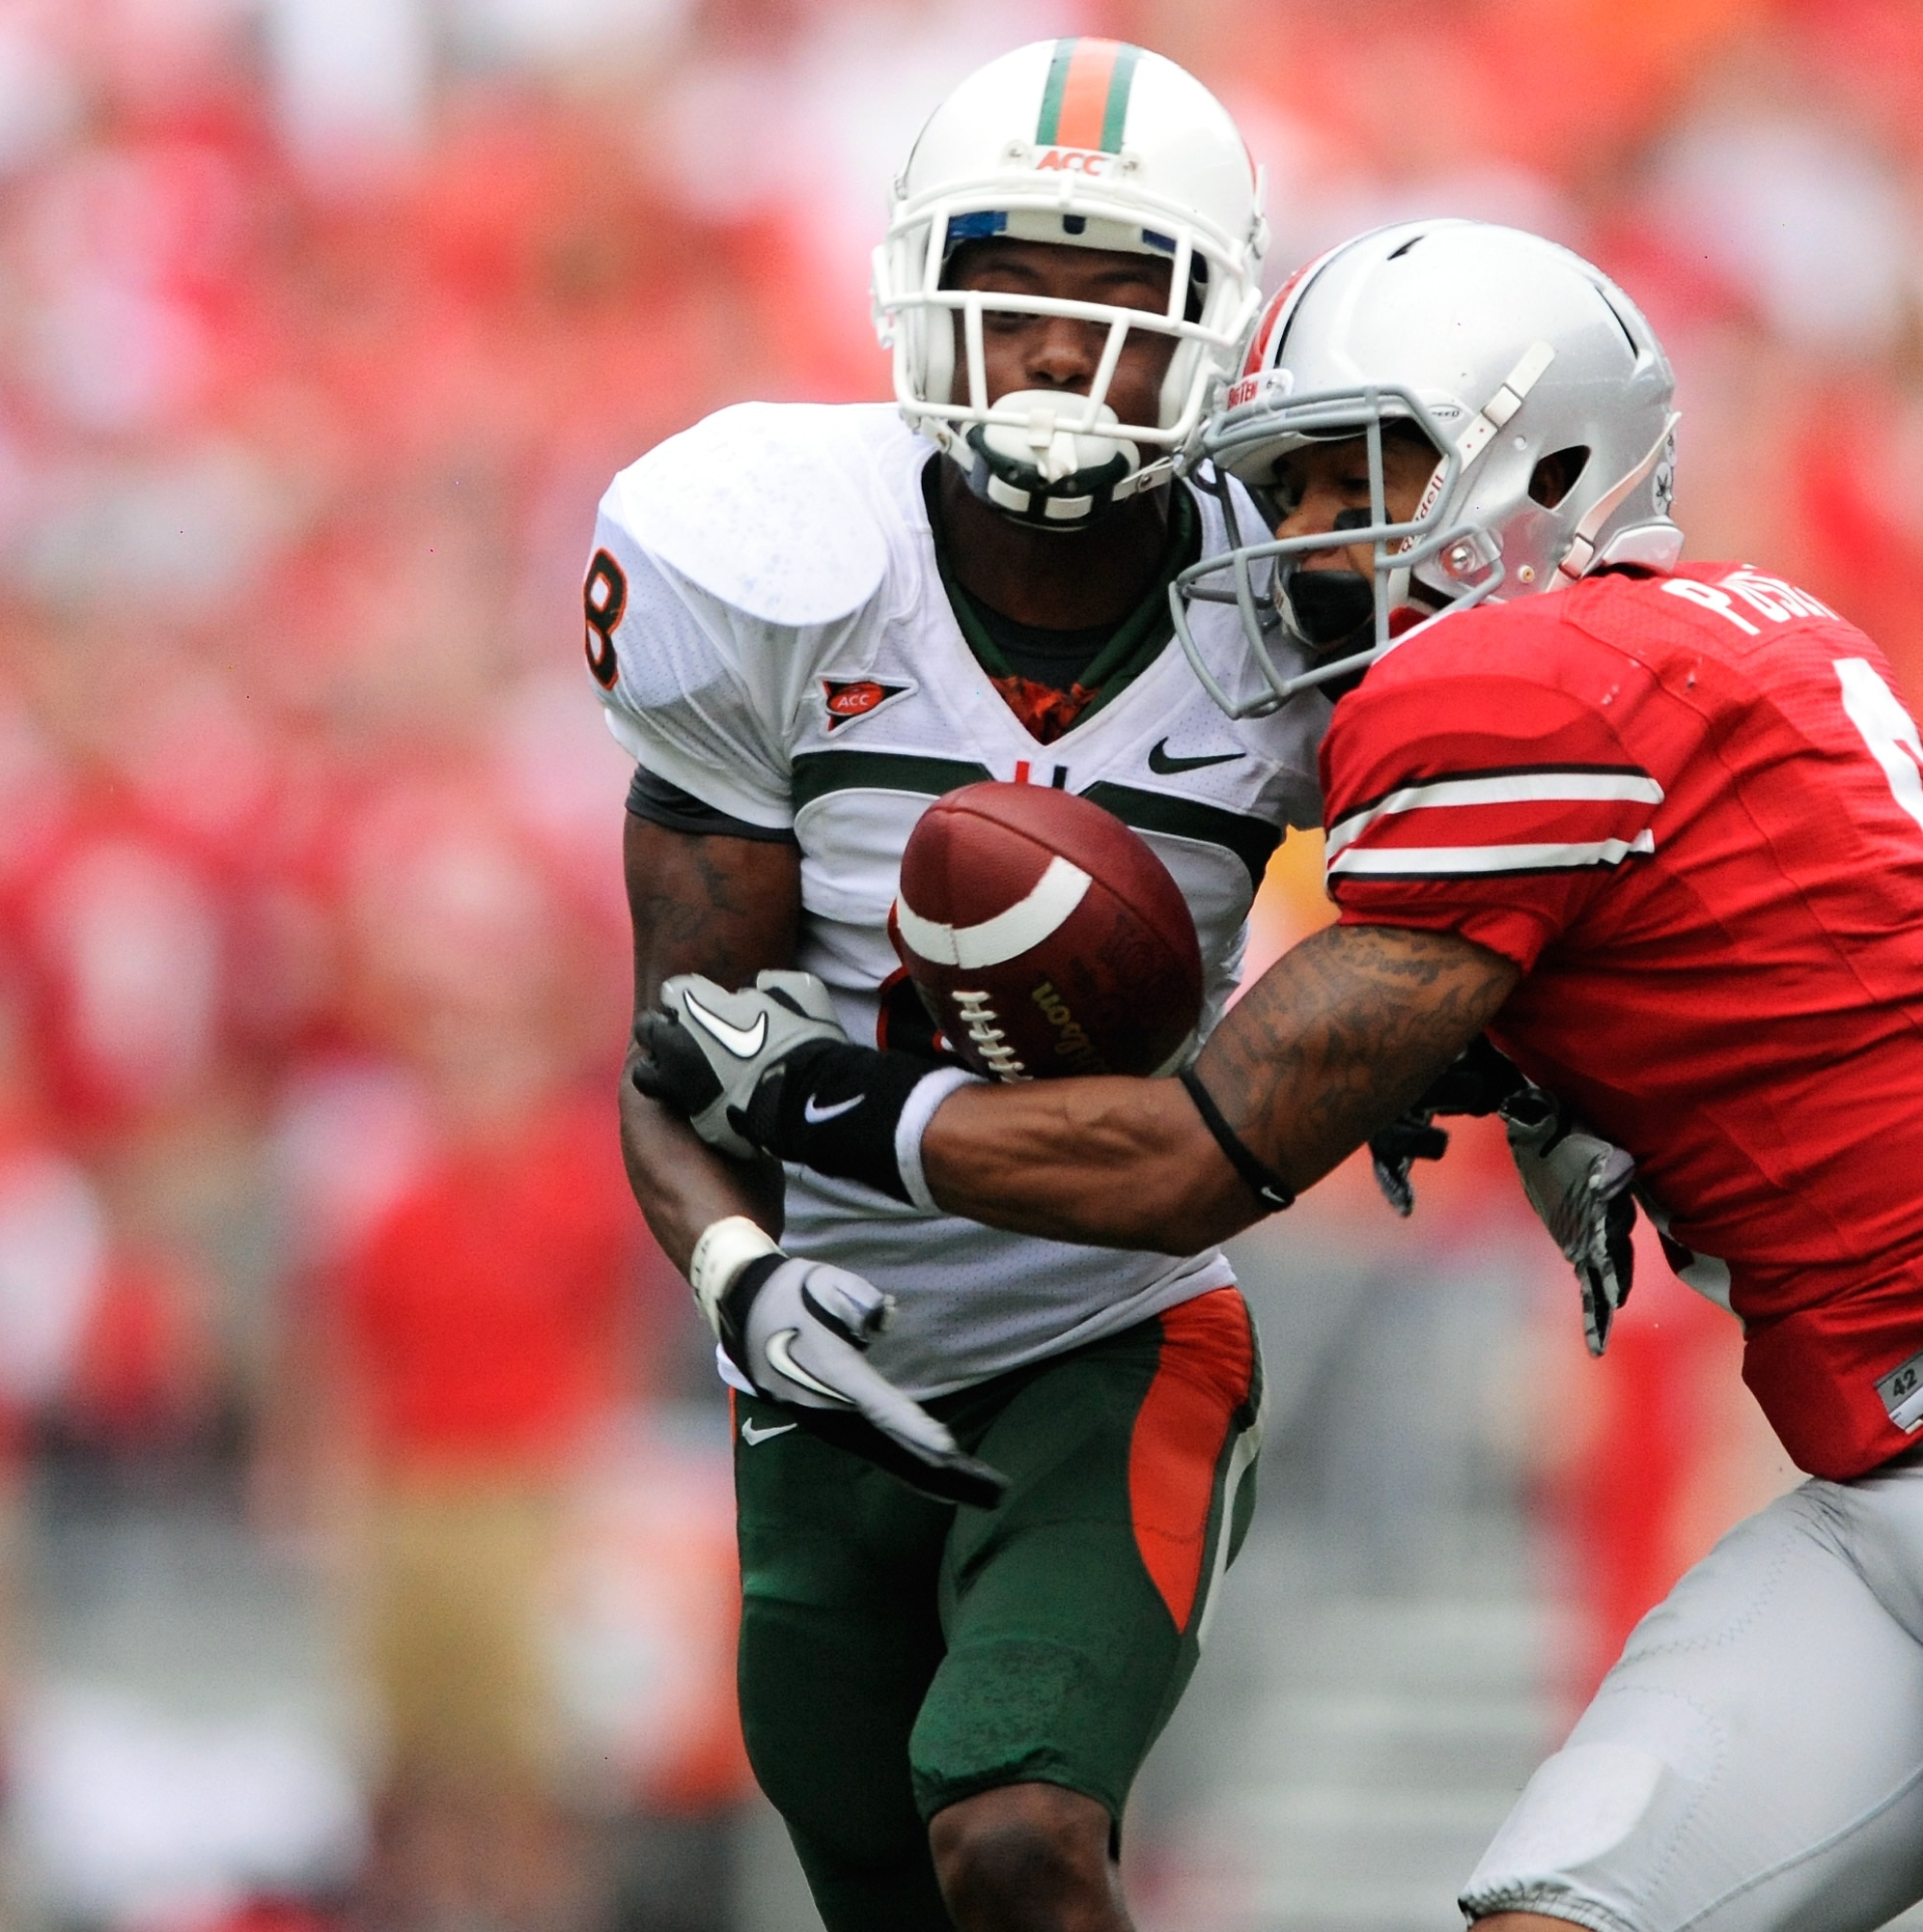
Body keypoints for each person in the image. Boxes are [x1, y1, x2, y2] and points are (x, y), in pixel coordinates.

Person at [634, 220, 1923, 1932]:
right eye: (1294, 490)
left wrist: (839, 1101)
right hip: (1887, 1442)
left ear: (1542, 464)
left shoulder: (1520, 682)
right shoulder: (1706, 636)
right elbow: (1714, 972)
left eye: (1353, 481)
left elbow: (1190, 1159)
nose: (1311, 544)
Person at [595, 40, 1317, 1932]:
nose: (1064, 349)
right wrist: (745, 1280)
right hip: (823, 1357)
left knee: (1019, 1836)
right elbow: (684, 1054)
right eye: (1021, 290)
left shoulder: (1299, 603)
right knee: (891, 1895)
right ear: (924, 287)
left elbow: (1460, 920)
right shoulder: (777, 560)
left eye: (1120, 300)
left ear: (1210, 326)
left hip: (1117, 1325)